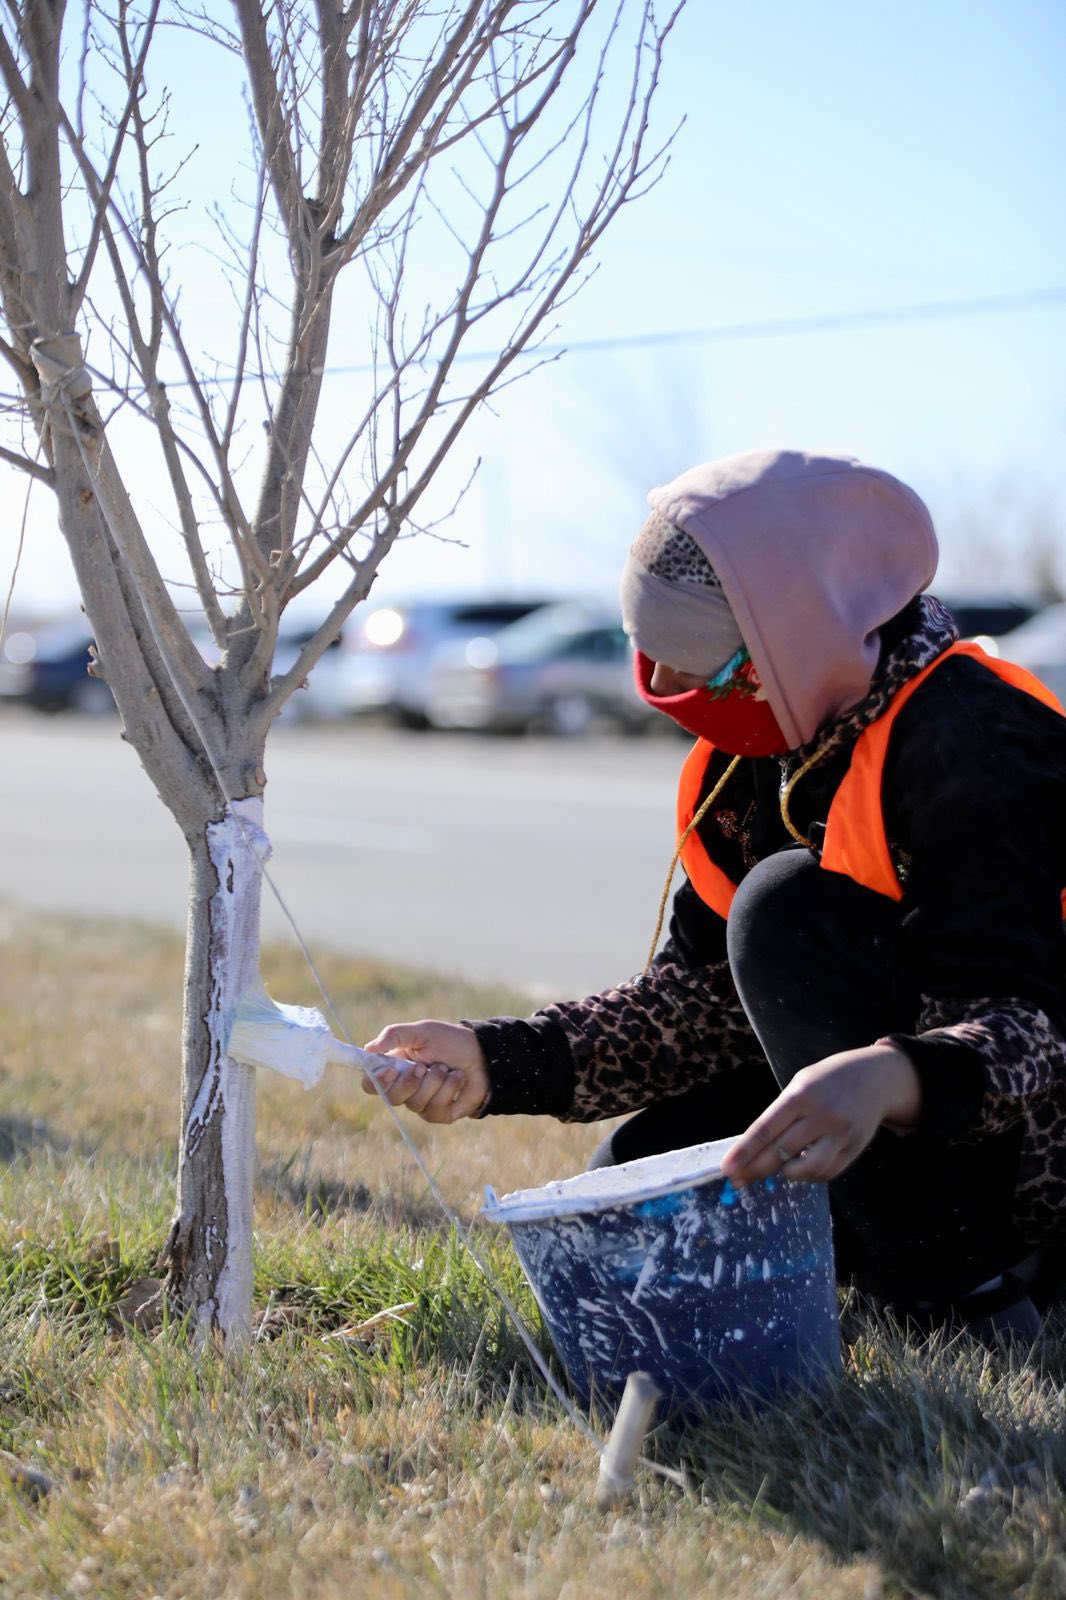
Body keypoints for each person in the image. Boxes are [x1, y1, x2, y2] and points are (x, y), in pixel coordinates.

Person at [360, 448, 1066, 1342]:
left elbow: (1031, 1033)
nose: (671, 695)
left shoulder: (974, 740)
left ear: (797, 634)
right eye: (653, 663)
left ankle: (965, 1294)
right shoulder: (756, 750)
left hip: (1027, 1144)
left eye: (702, 668)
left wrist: (893, 1077)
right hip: (885, 1111)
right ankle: (867, 1243)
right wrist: (497, 1060)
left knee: (784, 910)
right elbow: (695, 1006)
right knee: (631, 1180)